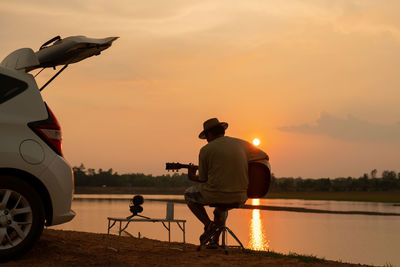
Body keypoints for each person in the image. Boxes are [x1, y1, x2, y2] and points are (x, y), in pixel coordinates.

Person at [185, 118, 268, 247]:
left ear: (210, 134)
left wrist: (191, 176)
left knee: (189, 195)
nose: (206, 139)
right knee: (221, 208)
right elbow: (264, 155)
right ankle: (214, 241)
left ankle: (209, 225)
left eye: (206, 136)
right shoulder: (242, 144)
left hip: (215, 194)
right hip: (240, 196)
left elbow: (202, 179)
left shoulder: (206, 150)